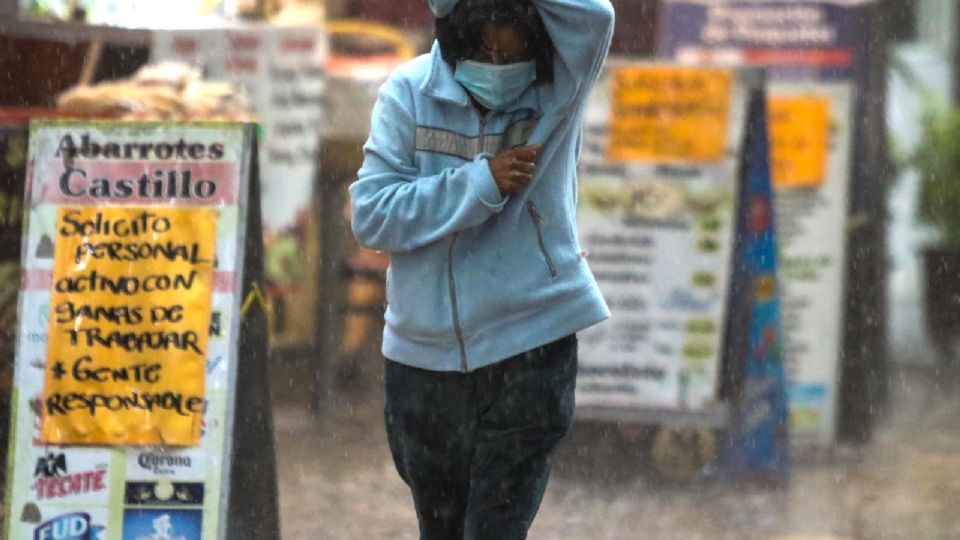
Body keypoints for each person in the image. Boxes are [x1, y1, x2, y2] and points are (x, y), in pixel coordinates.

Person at [349, 0, 614, 538]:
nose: (495, 67)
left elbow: (596, 15)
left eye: (509, 52)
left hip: (532, 345)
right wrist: (480, 183)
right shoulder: (408, 93)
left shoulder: (558, 87)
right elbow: (373, 216)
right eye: (483, 50)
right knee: (440, 528)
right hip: (423, 359)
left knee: (495, 528)